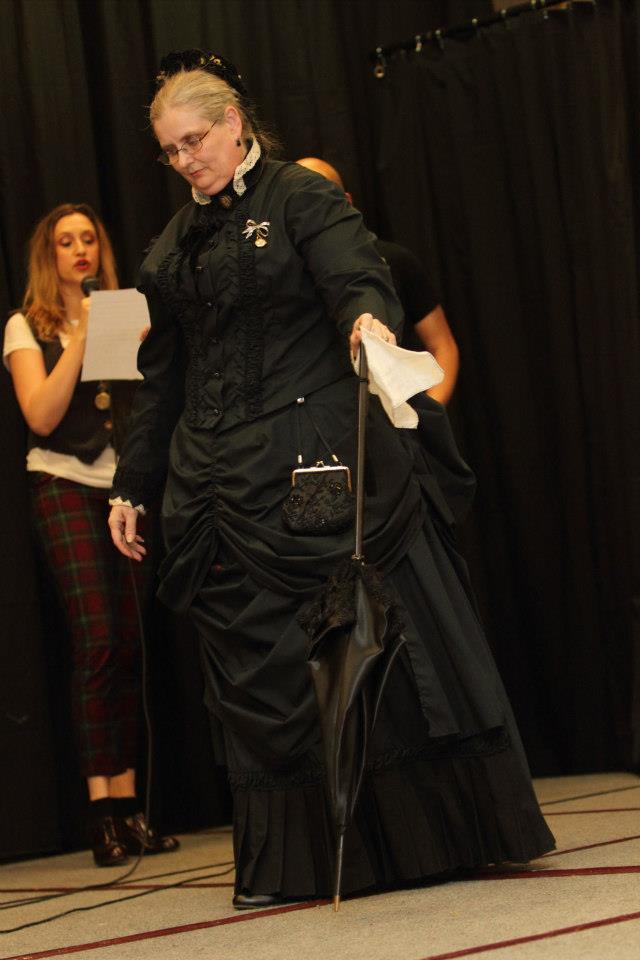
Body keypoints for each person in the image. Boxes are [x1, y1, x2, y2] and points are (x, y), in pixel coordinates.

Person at [108, 50, 554, 908]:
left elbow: (357, 277)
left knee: (357, 634)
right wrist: (133, 483)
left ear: (235, 123)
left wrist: (366, 323)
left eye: (195, 141)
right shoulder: (168, 249)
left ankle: (416, 840)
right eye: (170, 151)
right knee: (263, 667)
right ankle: (300, 860)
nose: (185, 160)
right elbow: (162, 380)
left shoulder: (301, 197)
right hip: (218, 486)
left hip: (316, 461)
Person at [3, 203, 179, 867]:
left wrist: (126, 333)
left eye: (88, 240)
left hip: (122, 489)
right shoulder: (27, 325)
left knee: (130, 641)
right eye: (65, 242)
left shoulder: (126, 311)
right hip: (63, 484)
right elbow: (41, 415)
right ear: (48, 257)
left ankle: (131, 806)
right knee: (98, 639)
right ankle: (102, 810)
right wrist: (83, 335)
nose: (79, 250)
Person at [296, 157, 459, 405]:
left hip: (392, 415)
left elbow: (442, 346)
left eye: (322, 199)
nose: (313, 211)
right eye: (302, 202)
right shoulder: (281, 276)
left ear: (346, 202)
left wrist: (426, 418)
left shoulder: (395, 260)